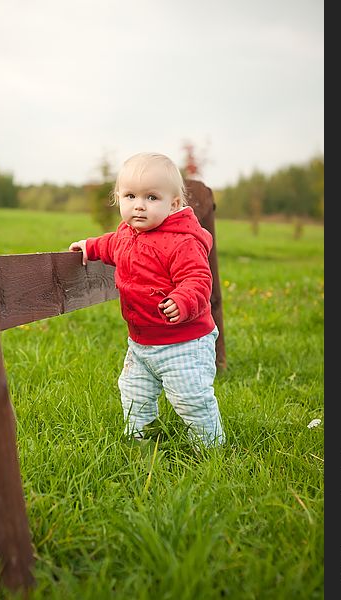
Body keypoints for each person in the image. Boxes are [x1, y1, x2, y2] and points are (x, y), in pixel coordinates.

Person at [69, 152, 225, 447]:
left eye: (152, 198)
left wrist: (182, 300)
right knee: (133, 392)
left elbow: (198, 279)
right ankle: (142, 440)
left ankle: (210, 446)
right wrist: (89, 247)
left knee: (190, 397)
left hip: (184, 342)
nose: (139, 205)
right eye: (130, 196)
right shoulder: (126, 234)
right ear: (118, 198)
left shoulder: (183, 242)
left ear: (174, 204)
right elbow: (109, 244)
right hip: (141, 343)